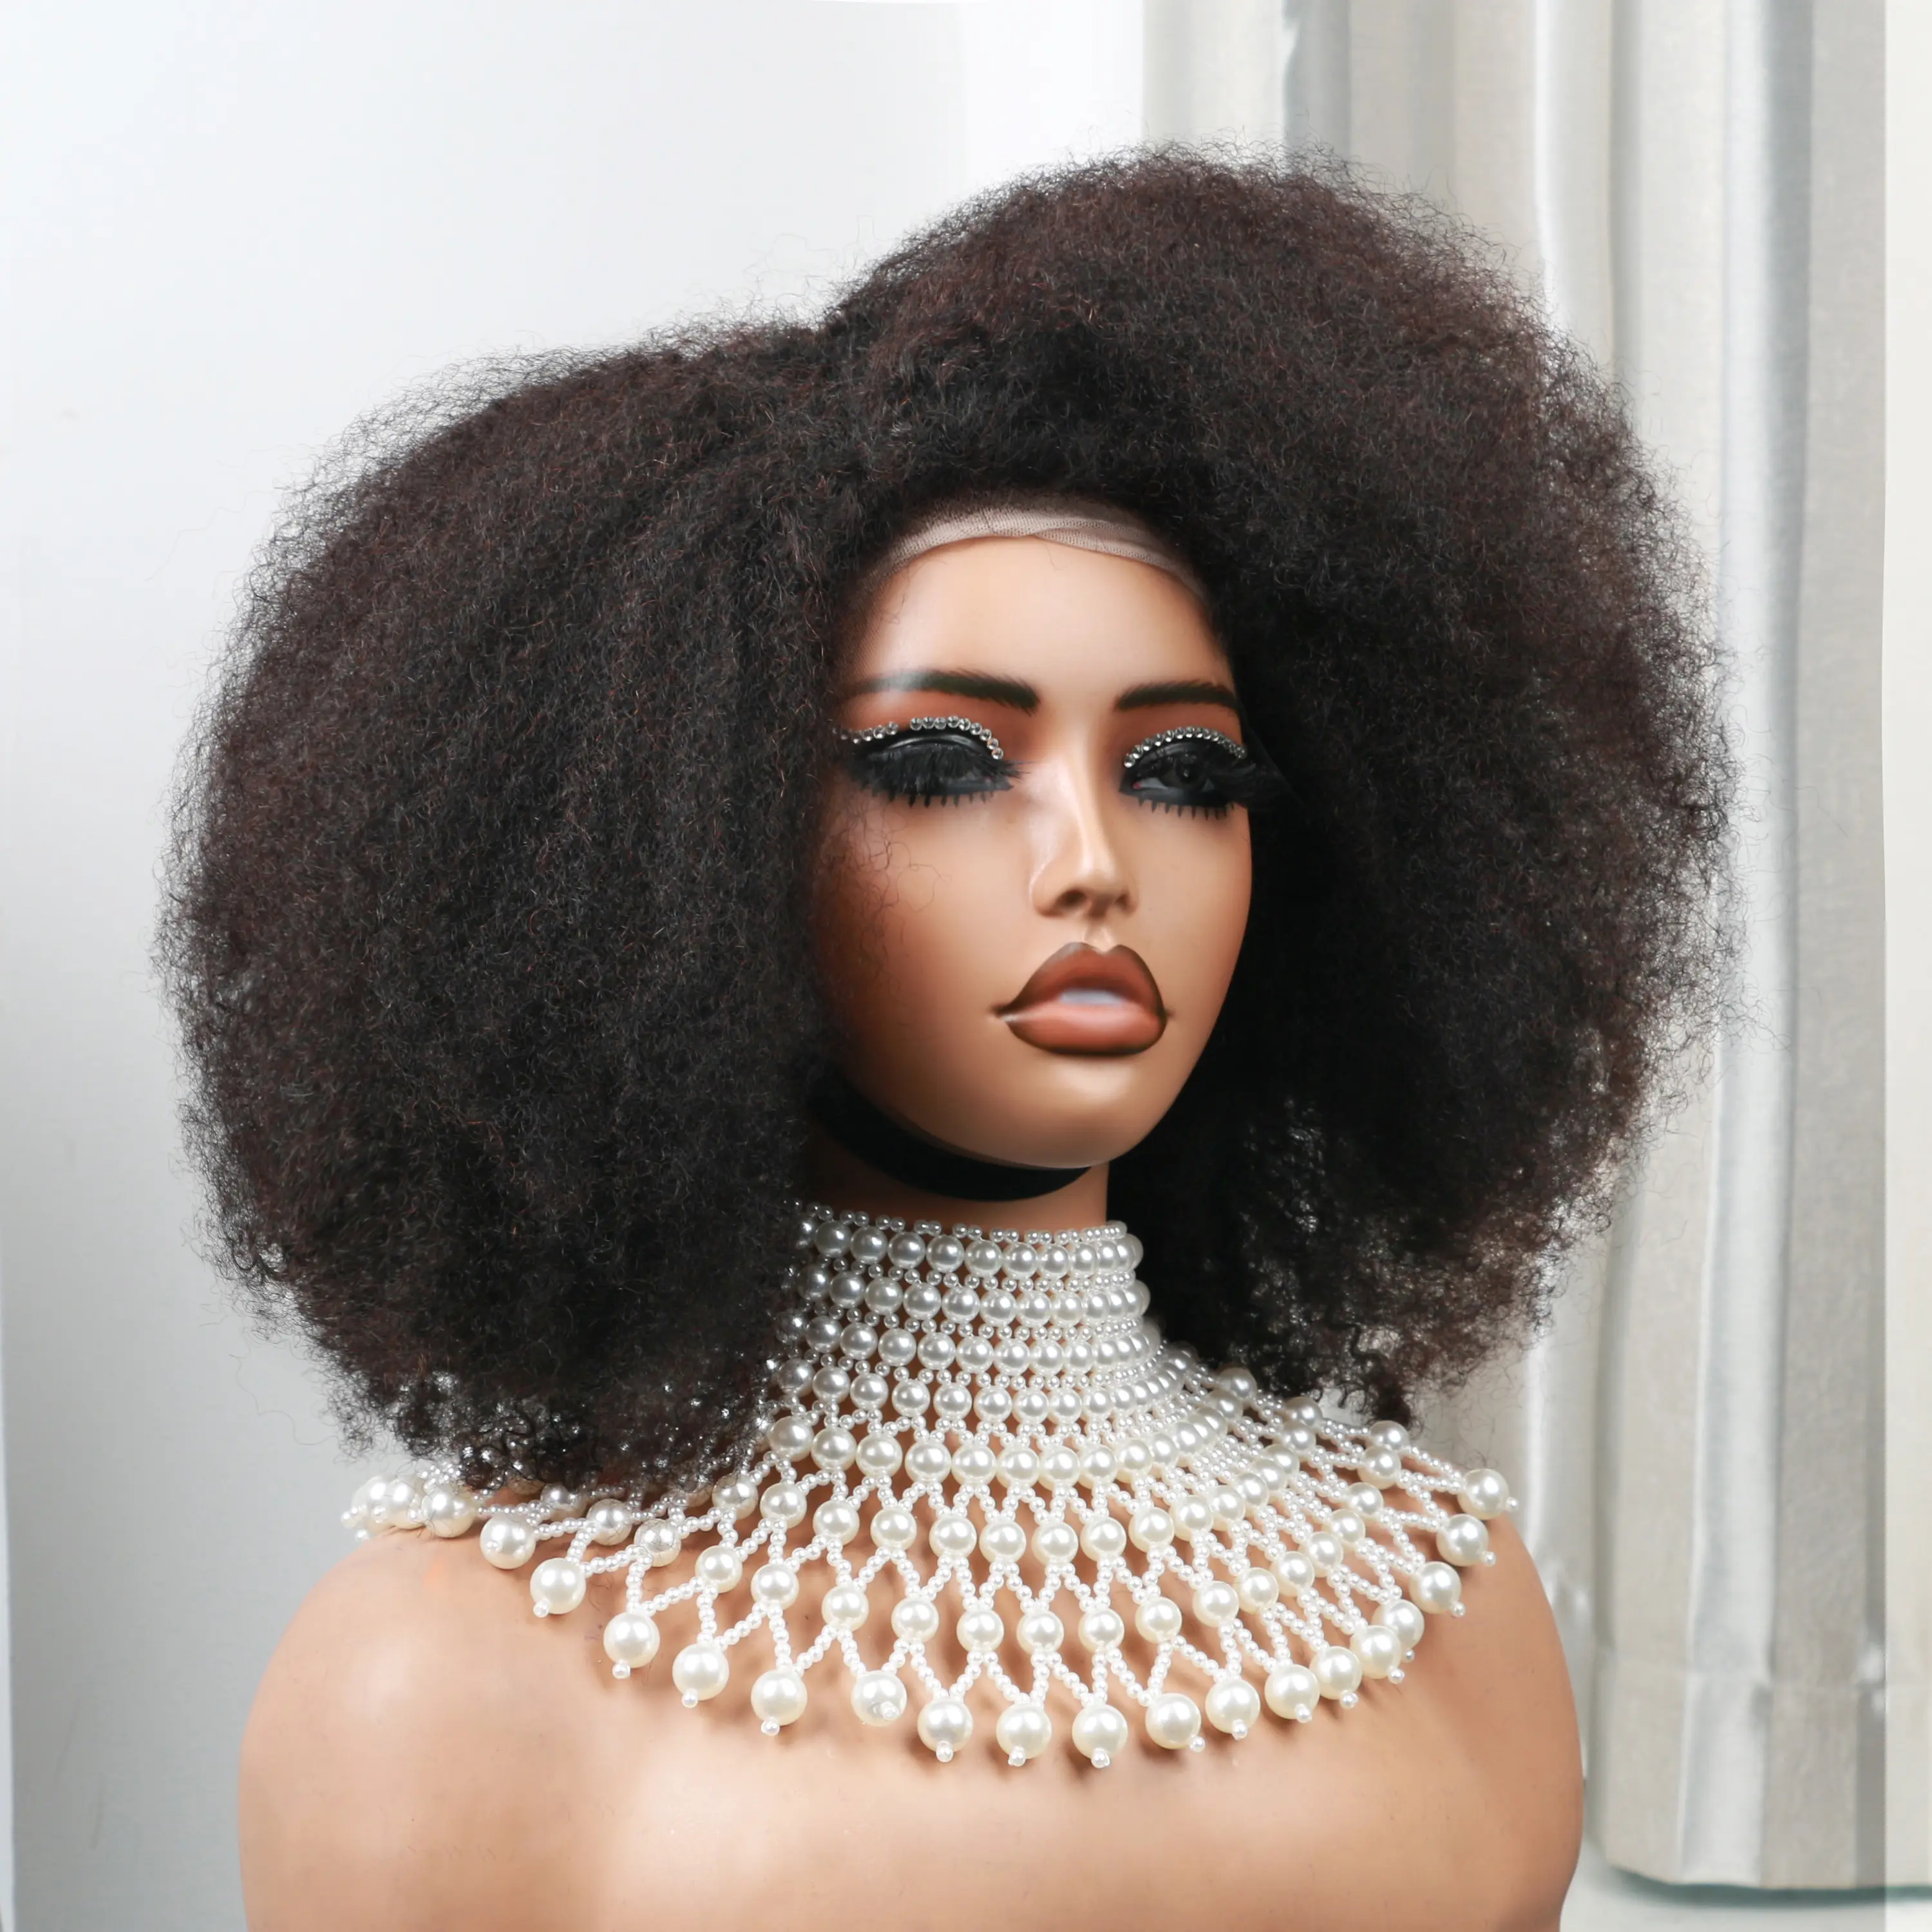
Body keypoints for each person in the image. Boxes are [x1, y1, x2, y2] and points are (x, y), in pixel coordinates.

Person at [164, 155, 1725, 1930]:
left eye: (1185, 771)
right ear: (684, 847)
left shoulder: (1445, 1612)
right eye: (941, 762)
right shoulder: (437, 1693)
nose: (1093, 861)